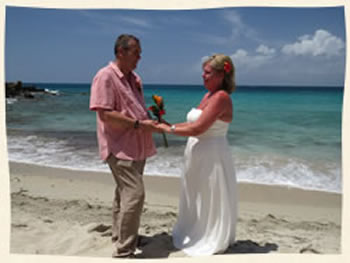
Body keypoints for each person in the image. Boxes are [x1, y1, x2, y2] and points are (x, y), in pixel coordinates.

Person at [158, 54, 237, 256]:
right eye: (203, 72)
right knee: (196, 194)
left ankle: (210, 235)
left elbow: (198, 129)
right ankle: (197, 229)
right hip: (197, 152)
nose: (203, 76)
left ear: (221, 75)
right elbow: (192, 125)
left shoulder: (221, 97)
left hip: (212, 153)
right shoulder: (208, 95)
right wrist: (167, 125)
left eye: (208, 72)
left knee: (209, 195)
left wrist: (167, 130)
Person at [89, 34, 160, 258]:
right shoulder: (105, 76)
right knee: (135, 194)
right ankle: (125, 250)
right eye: (135, 52)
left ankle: (119, 236)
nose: (139, 57)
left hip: (136, 145)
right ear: (121, 52)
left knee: (124, 194)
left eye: (139, 53)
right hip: (119, 147)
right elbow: (106, 114)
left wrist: (152, 118)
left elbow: (134, 107)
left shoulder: (133, 78)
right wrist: (139, 123)